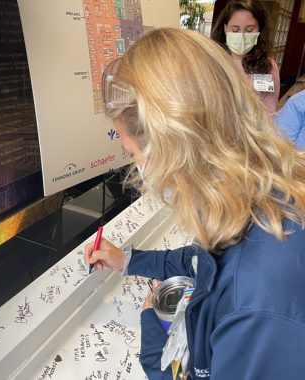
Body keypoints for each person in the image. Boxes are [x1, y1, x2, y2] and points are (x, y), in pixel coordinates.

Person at [86, 28, 305, 379]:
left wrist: (152, 330)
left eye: (132, 152)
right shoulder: (258, 190)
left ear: (172, 150)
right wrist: (129, 260)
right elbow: (202, 261)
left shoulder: (253, 308)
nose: (138, 169)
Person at [211, 0, 280, 116]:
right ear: (225, 28)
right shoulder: (213, 58)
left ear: (259, 30)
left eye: (249, 30)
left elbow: (269, 111)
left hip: (251, 130)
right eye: (235, 30)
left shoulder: (267, 66)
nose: (242, 35)